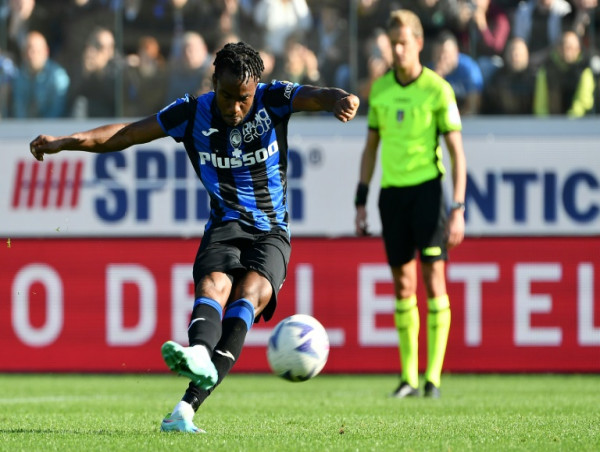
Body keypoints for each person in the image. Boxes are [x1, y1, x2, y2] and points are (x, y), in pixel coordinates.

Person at [30, 41, 359, 433]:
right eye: (227, 96)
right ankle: (198, 355)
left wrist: (340, 99)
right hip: (224, 225)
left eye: (243, 99)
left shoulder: (272, 99)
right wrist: (66, 142)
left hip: (271, 229)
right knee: (214, 284)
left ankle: (185, 408)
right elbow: (126, 134)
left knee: (252, 293)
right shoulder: (191, 113)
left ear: (255, 89)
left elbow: (317, 95)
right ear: (213, 82)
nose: (235, 107)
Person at [354, 10, 466, 399]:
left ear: (418, 43)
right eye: (393, 44)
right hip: (393, 196)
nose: (398, 50)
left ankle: (432, 378)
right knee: (403, 285)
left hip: (429, 193)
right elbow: (371, 147)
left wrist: (458, 207)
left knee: (434, 280)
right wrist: (361, 199)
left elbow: (457, 154)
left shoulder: (438, 89)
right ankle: (408, 378)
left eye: (403, 43)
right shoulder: (381, 90)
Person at [533, 30, 595, 116]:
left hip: (579, 121)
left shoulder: (585, 70)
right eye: (567, 47)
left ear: (578, 49)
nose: (570, 51)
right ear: (558, 48)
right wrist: (545, 121)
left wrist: (570, 120)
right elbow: (541, 103)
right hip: (550, 121)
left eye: (574, 48)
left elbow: (584, 101)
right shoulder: (546, 70)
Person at [12, 31, 70, 118]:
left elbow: (57, 112)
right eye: (27, 50)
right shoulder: (18, 76)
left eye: (36, 51)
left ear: (46, 52)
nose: (31, 55)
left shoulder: (58, 77)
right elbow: (19, 110)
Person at [429, 30, 484, 115]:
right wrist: (436, 80)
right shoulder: (429, 71)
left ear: (456, 51)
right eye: (438, 55)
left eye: (445, 54)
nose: (442, 58)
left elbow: (473, 107)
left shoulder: (469, 69)